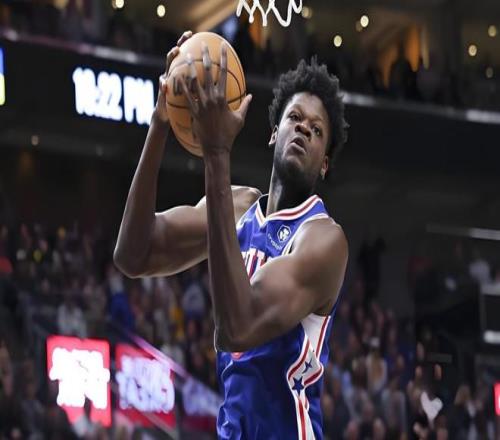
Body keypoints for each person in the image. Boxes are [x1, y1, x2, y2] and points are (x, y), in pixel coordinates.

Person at [114, 30, 349, 439]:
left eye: (316, 131)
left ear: (324, 164)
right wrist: (160, 122)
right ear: (274, 132)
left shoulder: (324, 240)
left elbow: (237, 328)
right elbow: (133, 254)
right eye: (295, 119)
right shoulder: (237, 206)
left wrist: (217, 153)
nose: (303, 130)